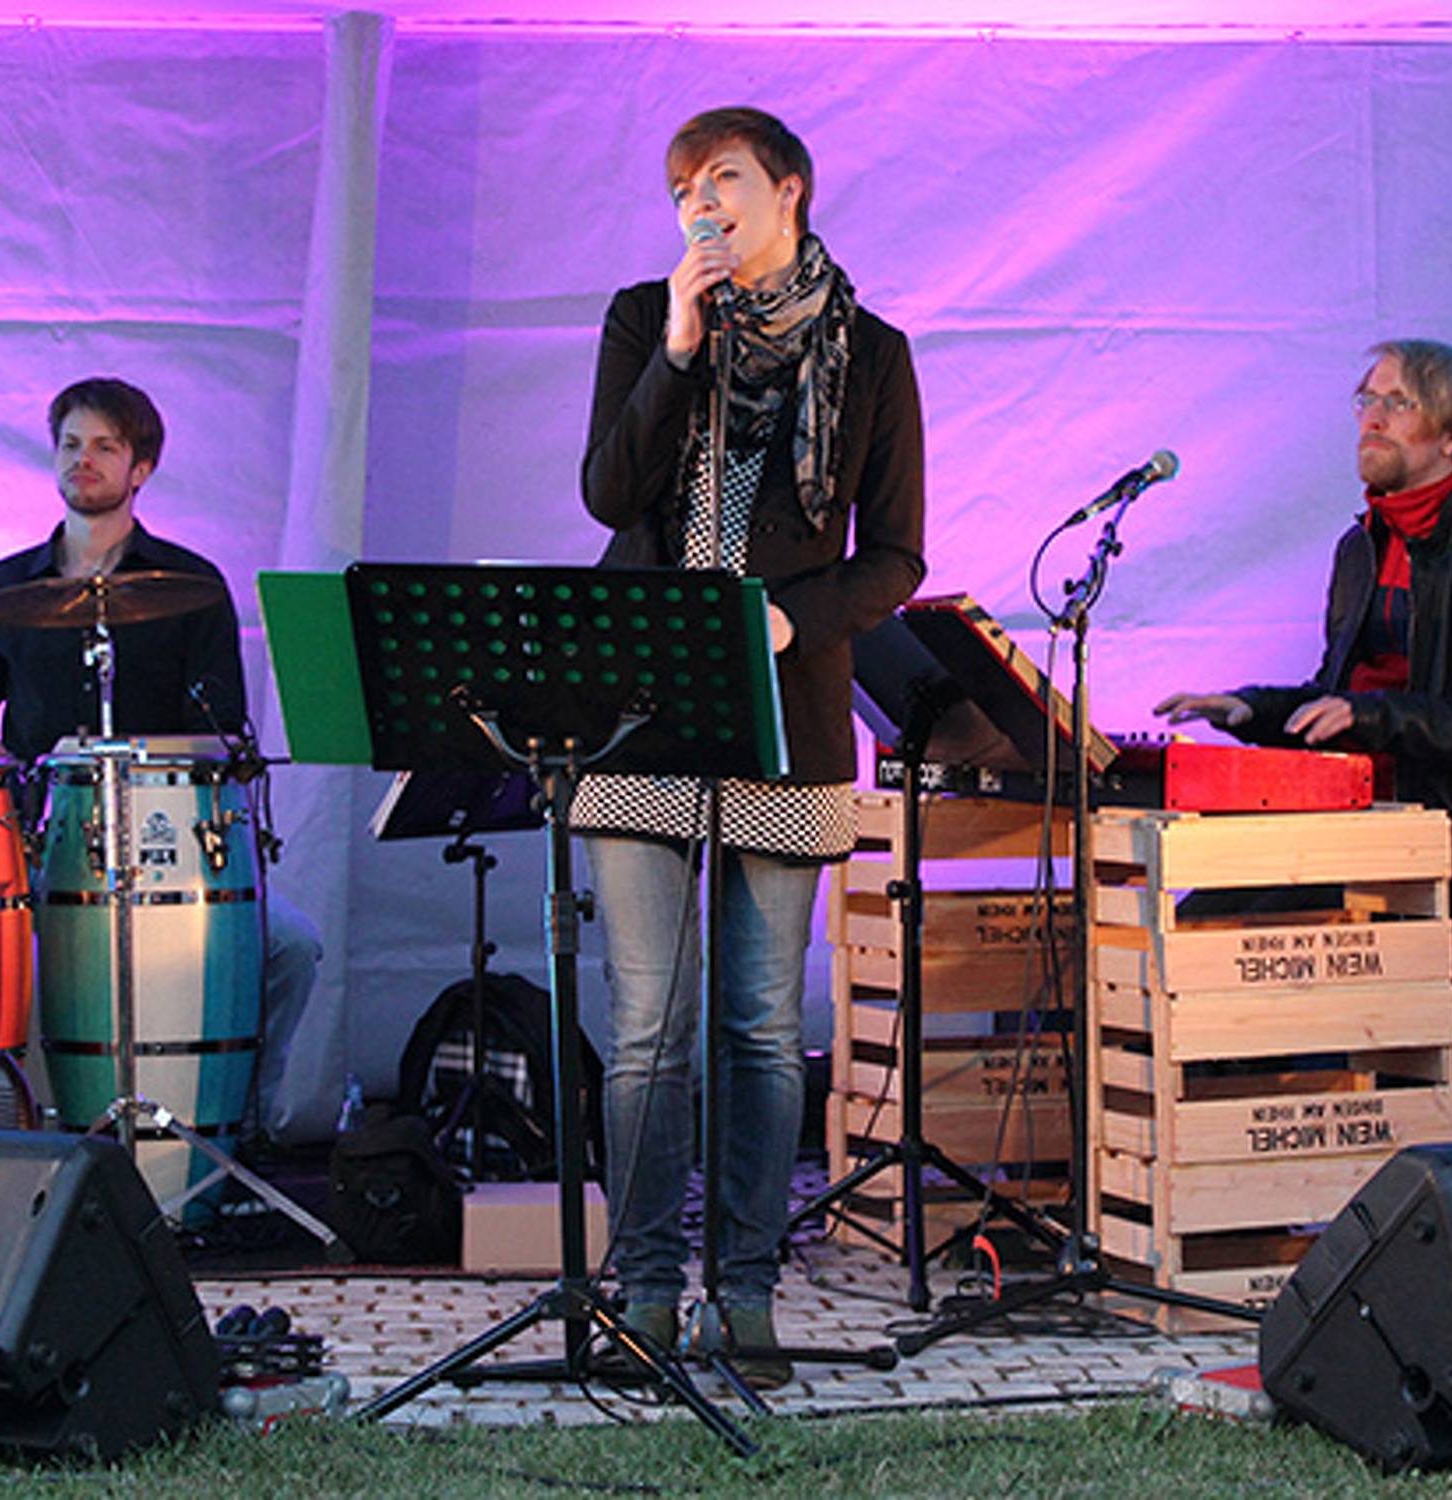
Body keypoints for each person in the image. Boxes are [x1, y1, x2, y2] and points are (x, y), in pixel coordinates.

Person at [570, 107, 925, 1387]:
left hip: (785, 716)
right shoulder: (643, 318)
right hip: (639, 709)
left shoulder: (871, 354)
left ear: (788, 191)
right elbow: (608, 495)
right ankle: (646, 1288)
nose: (698, 204)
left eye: (720, 178)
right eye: (680, 189)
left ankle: (749, 1288)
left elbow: (895, 555)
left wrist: (790, 619)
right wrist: (677, 349)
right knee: (647, 1025)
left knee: (764, 1027)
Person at [1156, 340, 1452, 1135]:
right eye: (1365, 400)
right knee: (1204, 938)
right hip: (1356, 838)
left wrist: (1373, 717)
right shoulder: (1360, 547)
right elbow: (1337, 696)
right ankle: (1238, 1167)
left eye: (1397, 402)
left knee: (1400, 1058)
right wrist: (1250, 708)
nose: (1371, 419)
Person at [0, 376, 335, 1144]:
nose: (81, 461)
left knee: (290, 947)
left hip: (165, 845)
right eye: (70, 445)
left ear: (140, 467)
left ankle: (230, 1131)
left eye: (103, 447)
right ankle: (17, 1135)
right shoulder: (2, 588)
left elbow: (220, 733)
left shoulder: (190, 586)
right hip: (38, 848)